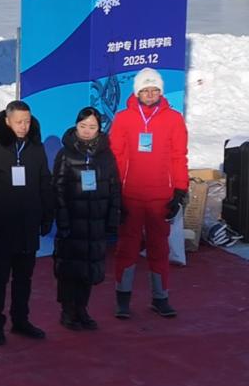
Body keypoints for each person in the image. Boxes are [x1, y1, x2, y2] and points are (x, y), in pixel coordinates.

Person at [109, 68, 188, 319]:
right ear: (137, 92)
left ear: (161, 92)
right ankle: (123, 299)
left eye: (155, 90)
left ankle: (160, 298)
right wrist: (115, 192)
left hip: (160, 196)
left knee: (159, 248)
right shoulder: (123, 119)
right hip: (130, 195)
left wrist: (180, 190)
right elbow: (116, 156)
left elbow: (179, 156)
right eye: (146, 90)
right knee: (127, 248)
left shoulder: (174, 119)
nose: (151, 94)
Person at [0, 100, 54, 345]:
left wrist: (47, 215)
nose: (23, 126)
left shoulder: (36, 149)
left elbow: (45, 183)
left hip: (28, 225)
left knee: (24, 278)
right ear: (7, 121)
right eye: (19, 122)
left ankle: (21, 320)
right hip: (3, 227)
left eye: (27, 121)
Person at [51, 107, 121, 330]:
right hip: (73, 222)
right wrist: (62, 220)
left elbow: (114, 187)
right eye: (83, 126)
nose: (87, 131)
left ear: (99, 128)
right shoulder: (66, 154)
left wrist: (113, 218)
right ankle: (68, 311)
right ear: (76, 126)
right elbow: (57, 189)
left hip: (96, 222)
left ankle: (82, 309)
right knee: (70, 269)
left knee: (89, 268)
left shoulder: (106, 155)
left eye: (92, 127)